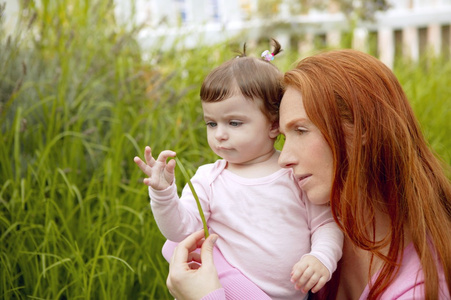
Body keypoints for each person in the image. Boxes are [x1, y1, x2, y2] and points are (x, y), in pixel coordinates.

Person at [165, 48, 451, 299]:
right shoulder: (327, 228)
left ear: (362, 130)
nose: (284, 159)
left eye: (301, 130)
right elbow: (180, 240)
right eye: (285, 136)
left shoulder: (418, 289)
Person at [134, 40, 343, 300]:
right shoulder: (209, 179)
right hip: (229, 291)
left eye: (234, 123)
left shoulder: (294, 173)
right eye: (211, 123)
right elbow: (181, 232)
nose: (220, 135)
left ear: (273, 124)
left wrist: (321, 257)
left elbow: (325, 224)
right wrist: (164, 194)